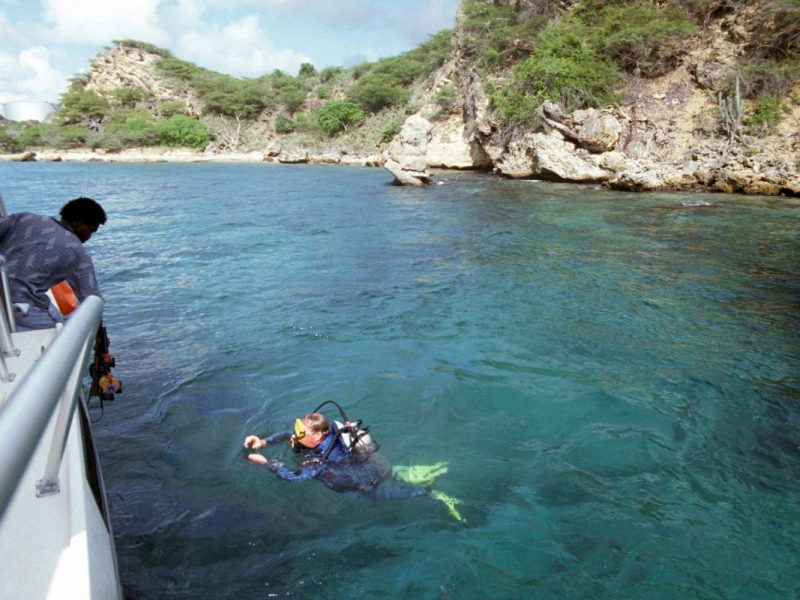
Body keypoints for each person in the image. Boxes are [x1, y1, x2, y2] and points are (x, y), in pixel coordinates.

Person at [243, 411, 463, 521]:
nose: (296, 435)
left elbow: (295, 478)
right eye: (298, 430)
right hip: (364, 465)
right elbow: (287, 436)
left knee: (374, 498)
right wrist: (264, 442)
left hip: (359, 481)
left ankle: (429, 493)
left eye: (302, 432)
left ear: (319, 435)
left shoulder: (317, 460)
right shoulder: (325, 435)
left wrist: (267, 463)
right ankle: (410, 473)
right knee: (389, 477)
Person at [0, 197, 106, 331]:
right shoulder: (78, 252)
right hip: (20, 306)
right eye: (91, 231)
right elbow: (92, 300)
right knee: (59, 332)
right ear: (80, 223)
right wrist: (100, 336)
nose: (89, 237)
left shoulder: (25, 218)